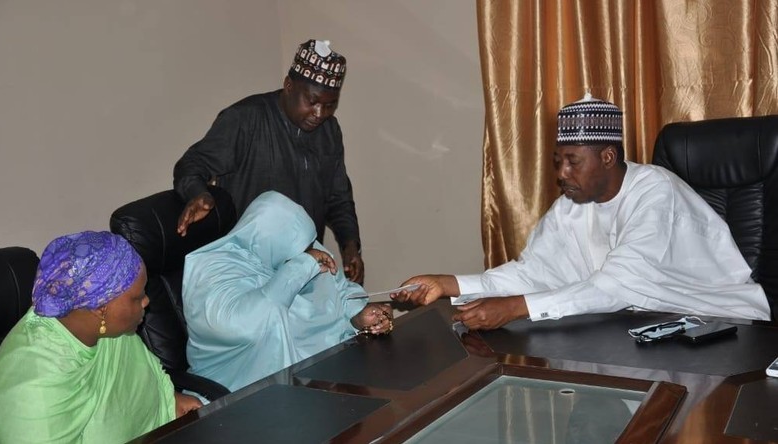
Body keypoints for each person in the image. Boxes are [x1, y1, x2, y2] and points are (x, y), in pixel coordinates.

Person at [392, 93, 771, 329]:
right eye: (558, 161)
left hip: (723, 327)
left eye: (573, 162)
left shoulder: (656, 192)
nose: (561, 174)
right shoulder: (571, 207)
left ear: (608, 157)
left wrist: (515, 308)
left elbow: (616, 285)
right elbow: (534, 272)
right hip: (638, 326)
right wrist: (447, 284)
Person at [173, 39, 364, 283]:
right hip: (250, 270)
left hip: (305, 267)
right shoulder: (245, 119)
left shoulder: (330, 131)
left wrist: (350, 245)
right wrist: (198, 193)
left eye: (329, 105)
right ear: (288, 86)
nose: (319, 114)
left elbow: (338, 197)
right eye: (312, 102)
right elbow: (191, 164)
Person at [0, 231, 201, 444]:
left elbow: (140, 383)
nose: (146, 301)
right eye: (137, 298)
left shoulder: (103, 328)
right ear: (101, 308)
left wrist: (170, 402)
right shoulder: (30, 391)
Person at [182, 191, 392, 392]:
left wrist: (357, 315)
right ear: (270, 243)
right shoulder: (212, 271)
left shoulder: (300, 247)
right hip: (247, 395)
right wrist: (299, 268)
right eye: (303, 250)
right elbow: (251, 327)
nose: (312, 250)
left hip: (320, 375)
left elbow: (339, 289)